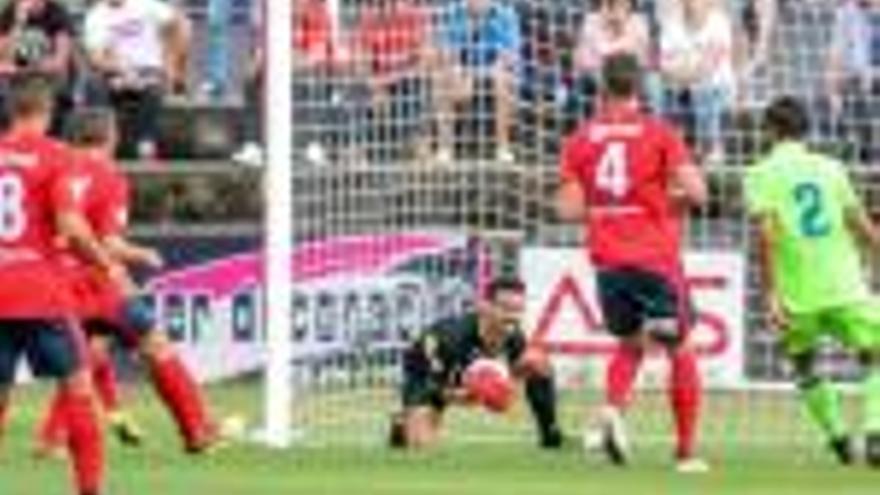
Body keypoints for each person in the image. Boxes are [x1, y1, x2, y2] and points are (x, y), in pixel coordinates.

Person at [36, 107, 220, 456]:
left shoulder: (50, 167)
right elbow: (108, 243)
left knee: (88, 354)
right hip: (91, 280)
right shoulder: (107, 176)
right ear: (110, 137)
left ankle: (53, 438)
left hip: (48, 280)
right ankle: (196, 430)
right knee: (155, 344)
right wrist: (142, 255)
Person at [556, 53, 708, 472]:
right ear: (640, 88)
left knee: (630, 343)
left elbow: (567, 210)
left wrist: (610, 207)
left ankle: (612, 409)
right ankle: (686, 452)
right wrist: (663, 201)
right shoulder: (660, 134)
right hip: (655, 258)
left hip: (609, 265)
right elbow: (697, 194)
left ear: (602, 88)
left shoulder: (580, 139)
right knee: (681, 348)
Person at [745, 96, 880, 466]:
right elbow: (861, 225)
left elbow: (767, 236)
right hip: (843, 286)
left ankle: (838, 438)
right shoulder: (831, 168)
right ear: (807, 130)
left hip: (796, 295)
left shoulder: (759, 172)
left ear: (770, 131)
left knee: (804, 364)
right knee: (874, 354)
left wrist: (771, 293)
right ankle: (876, 431)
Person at [0, 73, 116, 495]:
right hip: (40, 292)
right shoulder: (55, 155)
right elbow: (70, 223)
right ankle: (89, 490)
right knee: (79, 388)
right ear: (46, 114)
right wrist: (104, 263)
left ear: (12, 112)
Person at [388, 277, 564, 450]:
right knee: (422, 448)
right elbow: (432, 388)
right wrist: (460, 396)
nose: (513, 317)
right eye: (506, 309)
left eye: (518, 310)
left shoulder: (513, 335)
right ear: (484, 307)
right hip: (426, 376)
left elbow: (520, 374)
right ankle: (403, 422)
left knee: (539, 362)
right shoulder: (450, 339)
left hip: (469, 375)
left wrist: (503, 390)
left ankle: (550, 434)